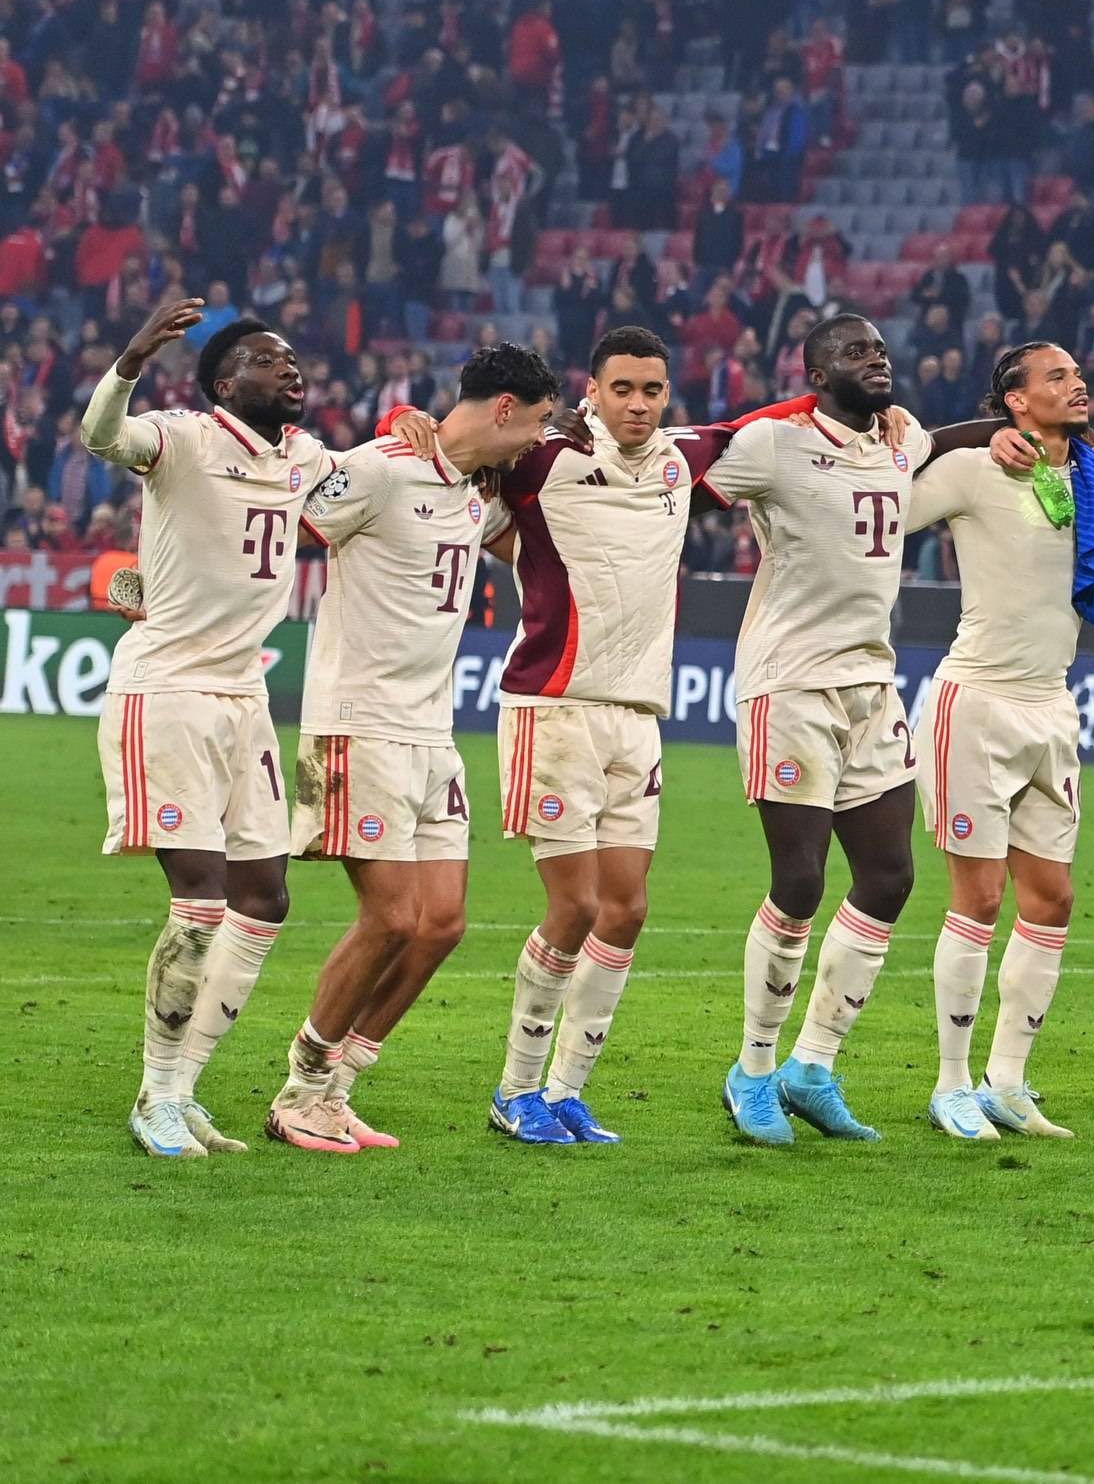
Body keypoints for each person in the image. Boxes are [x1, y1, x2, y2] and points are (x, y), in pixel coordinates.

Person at [87, 296, 422, 1160]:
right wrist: (129, 358)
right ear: (226, 382)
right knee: (199, 906)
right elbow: (102, 439)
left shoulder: (301, 457)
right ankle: (155, 1095)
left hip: (245, 701)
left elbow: (372, 471)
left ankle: (184, 1089)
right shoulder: (183, 438)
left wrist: (406, 422)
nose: (293, 370)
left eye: (293, 361)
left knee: (264, 900)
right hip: (167, 692)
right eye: (271, 362)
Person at [478, 327, 801, 1145]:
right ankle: (514, 1091)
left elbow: (785, 416)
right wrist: (409, 418)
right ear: (592, 389)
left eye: (652, 390)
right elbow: (453, 449)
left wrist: (894, 420)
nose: (638, 404)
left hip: (638, 718)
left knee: (624, 910)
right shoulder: (538, 459)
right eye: (622, 388)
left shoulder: (680, 460)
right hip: (553, 711)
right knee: (576, 905)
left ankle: (566, 1092)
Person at [274, 345, 558, 1152]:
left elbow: (529, 521)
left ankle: (336, 1088)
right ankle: (300, 1088)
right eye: (535, 422)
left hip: (431, 733)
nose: (539, 439)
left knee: (439, 925)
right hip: (358, 724)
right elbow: (279, 523)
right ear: (503, 409)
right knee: (391, 916)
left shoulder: (472, 491)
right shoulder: (380, 467)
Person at [905, 344, 1094, 1142]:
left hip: (1053, 706)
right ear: (1013, 400)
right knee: (977, 898)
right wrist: (962, 436)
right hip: (976, 705)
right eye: (1057, 378)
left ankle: (1006, 1080)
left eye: (1079, 375)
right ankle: (950, 1084)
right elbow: (884, 497)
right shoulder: (977, 470)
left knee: (1052, 899)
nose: (1078, 385)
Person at [708, 314, 927, 1146]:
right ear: (813, 370)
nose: (875, 358)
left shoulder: (901, 442)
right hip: (789, 684)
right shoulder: (773, 441)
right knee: (797, 883)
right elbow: (692, 461)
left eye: (879, 347)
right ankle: (752, 1071)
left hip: (872, 684)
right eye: (854, 351)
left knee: (890, 877)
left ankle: (812, 1067)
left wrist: (1018, 431)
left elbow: (955, 441)